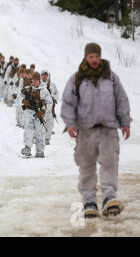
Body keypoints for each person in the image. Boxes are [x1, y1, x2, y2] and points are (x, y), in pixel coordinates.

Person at [61, 43, 131, 218]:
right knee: (86, 166)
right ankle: (89, 201)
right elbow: (68, 103)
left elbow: (121, 99)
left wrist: (125, 122)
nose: (94, 59)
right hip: (86, 130)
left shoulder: (111, 78)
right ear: (86, 57)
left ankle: (109, 197)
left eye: (97, 56)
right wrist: (70, 124)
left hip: (108, 128)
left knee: (110, 163)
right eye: (91, 56)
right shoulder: (77, 78)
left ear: (100, 57)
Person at [20, 72, 52, 158]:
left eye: (36, 80)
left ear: (39, 80)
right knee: (28, 130)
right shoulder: (28, 89)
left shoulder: (44, 90)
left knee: (40, 133)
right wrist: (24, 101)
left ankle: (40, 151)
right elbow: (21, 96)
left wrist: (43, 111)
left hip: (39, 114)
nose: (34, 82)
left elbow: (49, 103)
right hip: (30, 113)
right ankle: (27, 148)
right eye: (33, 80)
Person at [40, 70, 59, 145]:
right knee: (40, 122)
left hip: (50, 107)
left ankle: (47, 138)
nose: (44, 76)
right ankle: (38, 138)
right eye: (43, 75)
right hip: (41, 107)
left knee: (49, 123)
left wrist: (54, 98)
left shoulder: (52, 85)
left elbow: (57, 94)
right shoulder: (39, 84)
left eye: (46, 75)